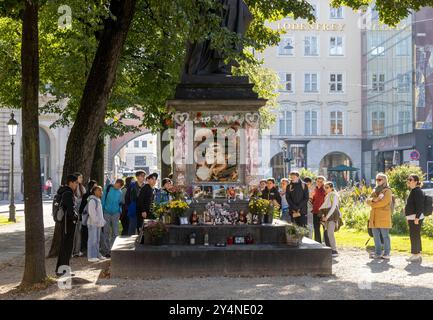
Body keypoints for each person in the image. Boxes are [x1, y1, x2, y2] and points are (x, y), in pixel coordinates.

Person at [56, 174, 79, 276]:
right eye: (76, 183)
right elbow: (70, 209)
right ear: (71, 182)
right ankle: (64, 271)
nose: (77, 185)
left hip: (65, 223)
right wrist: (75, 217)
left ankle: (60, 270)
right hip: (68, 223)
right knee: (67, 247)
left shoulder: (63, 191)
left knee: (64, 247)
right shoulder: (68, 193)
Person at [366, 173, 392, 260]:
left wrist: (373, 204)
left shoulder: (387, 191)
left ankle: (387, 253)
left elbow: (384, 203)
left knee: (385, 236)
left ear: (385, 180)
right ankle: (378, 253)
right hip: (374, 217)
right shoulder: (374, 190)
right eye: (377, 179)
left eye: (379, 179)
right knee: (376, 236)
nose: (377, 181)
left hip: (383, 216)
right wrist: (374, 200)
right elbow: (367, 201)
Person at [100, 178, 124, 258]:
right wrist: (102, 212)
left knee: (115, 232)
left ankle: (112, 248)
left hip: (115, 214)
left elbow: (120, 203)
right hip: (106, 213)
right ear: (116, 183)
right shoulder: (107, 189)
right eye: (118, 186)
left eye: (120, 187)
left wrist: (119, 212)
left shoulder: (120, 192)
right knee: (106, 231)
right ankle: (106, 250)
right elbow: (103, 201)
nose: (118, 187)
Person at [405, 174, 425, 263]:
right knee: (415, 235)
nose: (408, 181)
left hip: (415, 217)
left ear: (416, 181)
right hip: (412, 217)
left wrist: (417, 217)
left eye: (411, 180)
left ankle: (415, 254)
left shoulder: (417, 191)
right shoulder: (414, 190)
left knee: (414, 235)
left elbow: (419, 206)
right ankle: (417, 253)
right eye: (408, 179)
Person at [319, 182, 341, 257]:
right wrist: (323, 215)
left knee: (330, 233)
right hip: (327, 215)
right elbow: (324, 207)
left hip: (333, 216)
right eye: (325, 187)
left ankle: (334, 250)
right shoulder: (327, 196)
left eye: (327, 187)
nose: (325, 189)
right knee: (327, 233)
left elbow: (333, 207)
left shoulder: (334, 195)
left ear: (331, 188)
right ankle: (330, 249)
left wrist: (326, 217)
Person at [86, 185, 106, 262]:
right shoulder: (92, 200)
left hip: (97, 223)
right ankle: (91, 256)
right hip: (92, 224)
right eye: (99, 190)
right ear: (94, 191)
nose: (101, 192)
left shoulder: (98, 200)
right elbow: (92, 213)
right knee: (92, 240)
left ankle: (97, 254)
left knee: (97, 240)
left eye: (101, 190)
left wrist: (101, 221)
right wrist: (97, 221)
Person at [78, 180, 97, 255]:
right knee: (86, 233)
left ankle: (89, 248)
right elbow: (82, 207)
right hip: (87, 217)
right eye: (95, 186)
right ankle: (85, 249)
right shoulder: (87, 195)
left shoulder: (94, 195)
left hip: (91, 217)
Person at [125, 170, 146, 235]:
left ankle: (141, 243)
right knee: (132, 227)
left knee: (142, 228)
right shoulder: (132, 186)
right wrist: (129, 206)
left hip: (142, 210)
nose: (143, 177)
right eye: (141, 176)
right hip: (133, 208)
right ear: (137, 177)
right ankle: (130, 243)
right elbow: (127, 197)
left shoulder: (145, 186)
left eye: (144, 176)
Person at [72, 172, 86, 257]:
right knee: (73, 232)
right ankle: (72, 250)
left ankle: (77, 250)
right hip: (74, 212)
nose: (81, 179)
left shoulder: (82, 188)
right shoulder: (73, 187)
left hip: (79, 213)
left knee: (78, 232)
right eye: (80, 177)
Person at [312, 176, 328, 244]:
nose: (319, 183)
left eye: (321, 182)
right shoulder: (315, 189)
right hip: (315, 211)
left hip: (323, 212)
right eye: (318, 181)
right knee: (316, 228)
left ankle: (327, 243)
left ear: (324, 182)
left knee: (325, 228)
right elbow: (314, 200)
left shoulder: (325, 190)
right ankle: (318, 243)